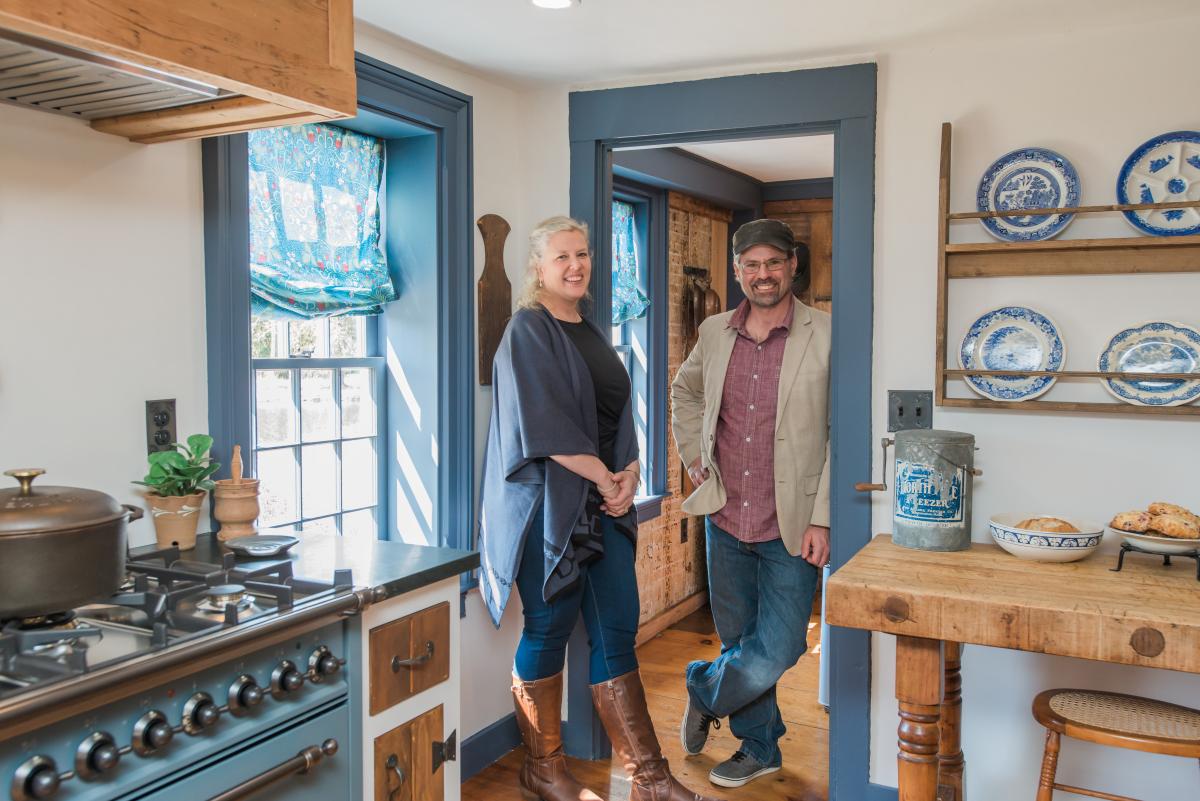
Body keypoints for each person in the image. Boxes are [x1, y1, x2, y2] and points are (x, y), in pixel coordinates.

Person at [479, 216, 716, 801]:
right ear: (539, 267)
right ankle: (545, 766)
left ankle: (648, 778)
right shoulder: (527, 330)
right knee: (549, 625)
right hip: (549, 510)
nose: (575, 265)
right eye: (561, 256)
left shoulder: (591, 329)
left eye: (581, 254)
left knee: (615, 625)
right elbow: (543, 423)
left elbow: (618, 417)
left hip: (605, 502)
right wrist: (606, 478)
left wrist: (629, 473)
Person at [670, 218, 832, 788]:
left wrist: (823, 516)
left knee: (780, 646)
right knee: (741, 643)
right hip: (724, 515)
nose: (763, 275)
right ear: (737, 271)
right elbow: (685, 392)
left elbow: (841, 430)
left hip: (791, 523)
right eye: (751, 265)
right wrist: (694, 455)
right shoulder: (715, 331)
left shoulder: (827, 333)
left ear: (792, 266)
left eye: (773, 263)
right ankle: (760, 747)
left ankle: (703, 687)